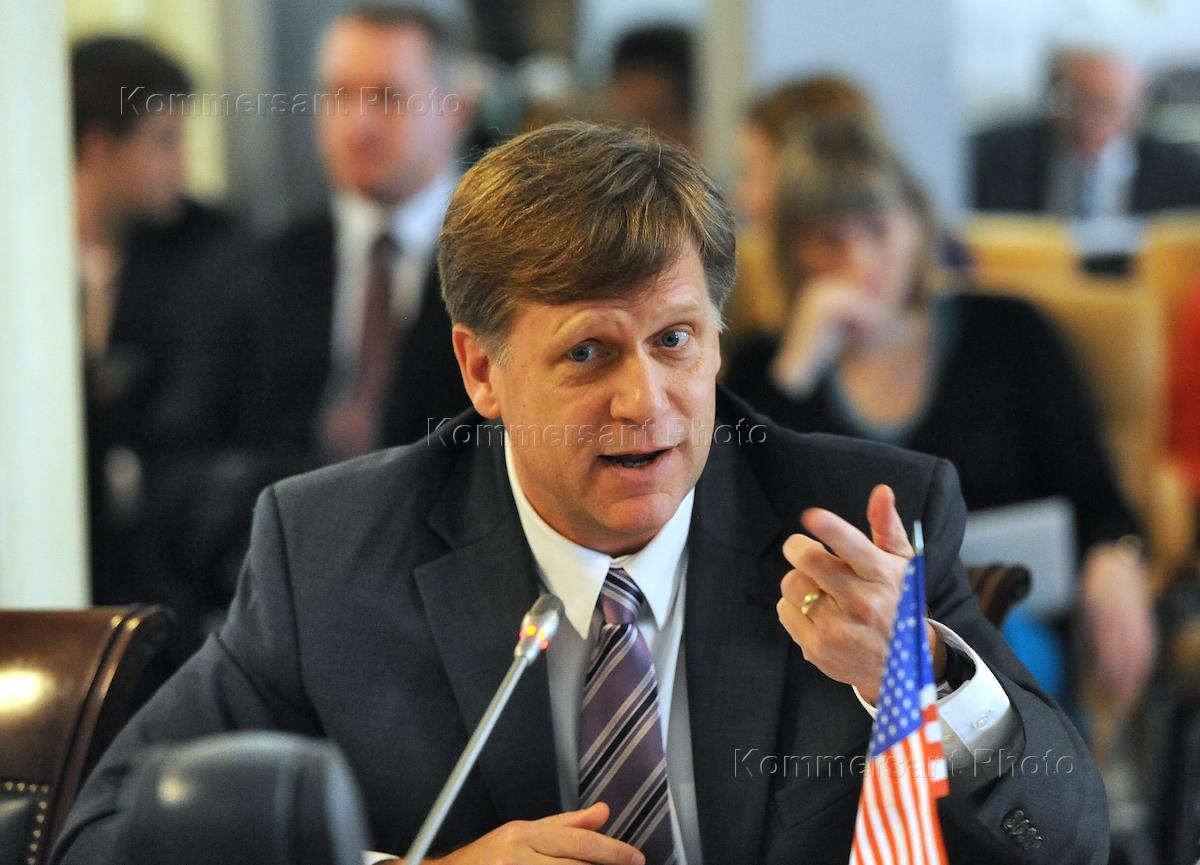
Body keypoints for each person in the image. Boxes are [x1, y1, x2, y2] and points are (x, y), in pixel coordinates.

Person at [53, 121, 1107, 865]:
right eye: (589, 352)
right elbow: (105, 836)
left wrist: (929, 681)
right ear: (482, 371)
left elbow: (1071, 840)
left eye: (675, 340)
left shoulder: (860, 515)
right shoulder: (328, 549)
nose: (645, 401)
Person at [726, 117, 1156, 712]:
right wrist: (797, 371)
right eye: (829, 241)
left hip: (1001, 617)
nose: (859, 262)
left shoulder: (1008, 332)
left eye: (877, 230)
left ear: (916, 223)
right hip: (827, 637)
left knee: (994, 661)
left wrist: (1116, 558)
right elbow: (733, 528)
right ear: (794, 254)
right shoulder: (765, 368)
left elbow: (1100, 502)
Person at [73, 36, 261, 647]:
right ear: (99, 148)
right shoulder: (22, 259)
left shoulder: (211, 251)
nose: (183, 166)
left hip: (168, 583)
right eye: (165, 141)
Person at [247, 5, 473, 466]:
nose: (358, 125)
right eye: (339, 95)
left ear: (455, 112)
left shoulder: (507, 260)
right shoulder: (265, 263)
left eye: (388, 97)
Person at [971, 45, 1200, 216]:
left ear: (1136, 108)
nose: (1089, 123)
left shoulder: (1184, 174)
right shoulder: (990, 159)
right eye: (1072, 104)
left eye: (1108, 107)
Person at [604, 23, 695, 151]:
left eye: (635, 80)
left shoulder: (707, 141)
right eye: (622, 82)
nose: (626, 93)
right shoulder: (621, 143)